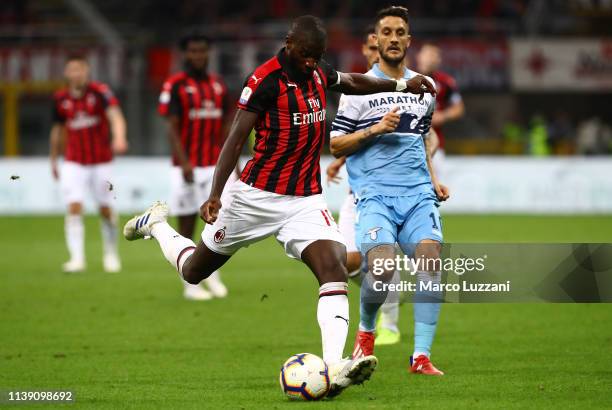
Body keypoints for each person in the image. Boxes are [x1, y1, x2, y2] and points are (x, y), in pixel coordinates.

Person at [124, 15, 435, 396]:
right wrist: (216, 192)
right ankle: (156, 224)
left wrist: (401, 83)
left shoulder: (318, 71)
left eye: (316, 57)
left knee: (332, 268)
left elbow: (354, 81)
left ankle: (335, 366)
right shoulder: (264, 81)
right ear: (290, 43)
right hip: (254, 198)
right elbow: (235, 139)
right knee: (193, 272)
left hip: (304, 199)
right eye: (305, 55)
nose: (310, 63)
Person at [330, 6, 449, 375]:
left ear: (408, 41)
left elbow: (421, 140)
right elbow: (336, 145)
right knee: (380, 269)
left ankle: (421, 357)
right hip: (375, 196)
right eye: (387, 32)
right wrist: (375, 130)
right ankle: (366, 331)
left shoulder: (425, 89)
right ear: (376, 41)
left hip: (417, 196)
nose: (394, 38)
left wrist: (432, 180)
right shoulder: (358, 91)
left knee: (430, 262)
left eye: (400, 32)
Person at [158, 32, 230, 300]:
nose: (198, 56)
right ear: (185, 54)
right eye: (193, 51)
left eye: (202, 51)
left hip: (213, 165)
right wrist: (185, 161)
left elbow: (226, 129)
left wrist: (230, 163)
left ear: (208, 53)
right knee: (186, 223)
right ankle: (190, 285)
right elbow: (171, 128)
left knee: (217, 222)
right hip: (185, 166)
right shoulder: (175, 85)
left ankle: (212, 276)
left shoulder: (218, 85)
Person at [50, 55, 128, 273]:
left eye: (80, 69)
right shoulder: (60, 99)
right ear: (67, 73)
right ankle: (77, 258)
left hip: (101, 161)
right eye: (72, 69)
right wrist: (53, 159)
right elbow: (57, 130)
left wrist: (119, 137)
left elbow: (116, 116)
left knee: (105, 208)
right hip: (73, 161)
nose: (77, 74)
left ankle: (111, 254)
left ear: (87, 71)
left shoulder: (100, 92)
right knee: (74, 207)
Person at [326, 25, 379, 279]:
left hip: (393, 192)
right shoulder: (355, 89)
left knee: (383, 259)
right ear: (364, 50)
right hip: (357, 191)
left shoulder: (406, 89)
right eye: (372, 48)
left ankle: (388, 318)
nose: (377, 54)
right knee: (345, 261)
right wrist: (341, 159)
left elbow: (422, 136)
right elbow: (343, 139)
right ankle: (389, 297)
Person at [416, 42, 465, 179]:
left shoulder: (445, 82)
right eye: (427, 54)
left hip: (435, 145)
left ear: (439, 60)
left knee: (436, 191)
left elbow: (459, 108)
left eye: (434, 55)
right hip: (409, 144)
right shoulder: (406, 80)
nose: (429, 59)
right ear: (419, 57)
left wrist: (443, 116)